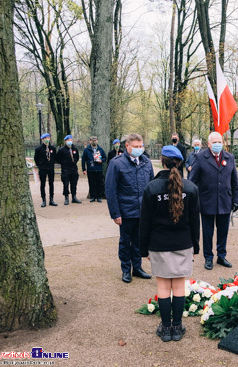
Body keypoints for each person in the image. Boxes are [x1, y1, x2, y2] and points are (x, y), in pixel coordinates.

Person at [139, 145, 200, 342]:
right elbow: (194, 221)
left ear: (161, 161)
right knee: (179, 287)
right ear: (180, 163)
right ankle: (177, 327)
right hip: (183, 244)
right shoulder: (190, 188)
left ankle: (166, 329)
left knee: (163, 288)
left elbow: (145, 223)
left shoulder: (151, 188)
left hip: (158, 244)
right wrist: (195, 246)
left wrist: (143, 248)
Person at [105, 133, 154, 283]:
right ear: (127, 146)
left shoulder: (146, 162)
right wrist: (115, 213)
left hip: (142, 211)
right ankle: (126, 269)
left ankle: (137, 267)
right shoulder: (116, 163)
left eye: (141, 146)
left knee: (139, 241)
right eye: (136, 147)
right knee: (126, 242)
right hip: (126, 211)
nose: (140, 149)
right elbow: (110, 190)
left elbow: (152, 186)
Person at [189, 131, 238, 270]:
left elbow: (234, 181)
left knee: (223, 231)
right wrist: (193, 200)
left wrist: (236, 199)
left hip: (225, 200)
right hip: (206, 201)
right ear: (209, 144)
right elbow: (192, 181)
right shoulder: (200, 158)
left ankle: (221, 256)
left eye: (219, 142)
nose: (217, 144)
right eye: (215, 142)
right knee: (207, 232)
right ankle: (208, 257)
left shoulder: (230, 157)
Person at [56, 135, 82, 205]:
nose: (69, 141)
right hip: (65, 169)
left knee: (74, 184)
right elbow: (57, 158)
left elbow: (77, 157)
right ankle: (66, 198)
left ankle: (74, 197)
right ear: (65, 141)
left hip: (73, 169)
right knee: (66, 184)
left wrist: (74, 162)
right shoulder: (61, 150)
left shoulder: (75, 149)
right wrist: (64, 162)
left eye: (70, 140)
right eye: (68, 140)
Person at [34, 133, 58, 207]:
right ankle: (43, 200)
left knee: (51, 184)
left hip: (50, 168)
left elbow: (54, 157)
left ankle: (51, 199)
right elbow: (36, 158)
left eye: (48, 138)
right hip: (43, 168)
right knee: (43, 184)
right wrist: (40, 165)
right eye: (45, 138)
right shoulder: (39, 149)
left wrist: (51, 163)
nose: (47, 139)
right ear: (42, 139)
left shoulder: (52, 148)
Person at [82, 136, 107, 202]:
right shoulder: (87, 150)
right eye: (92, 140)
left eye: (95, 140)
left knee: (99, 183)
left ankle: (99, 196)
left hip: (99, 169)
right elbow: (83, 160)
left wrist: (101, 160)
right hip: (90, 169)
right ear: (90, 141)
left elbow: (105, 157)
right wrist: (84, 169)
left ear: (97, 141)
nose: (94, 141)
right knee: (91, 183)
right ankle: (93, 196)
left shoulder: (100, 149)